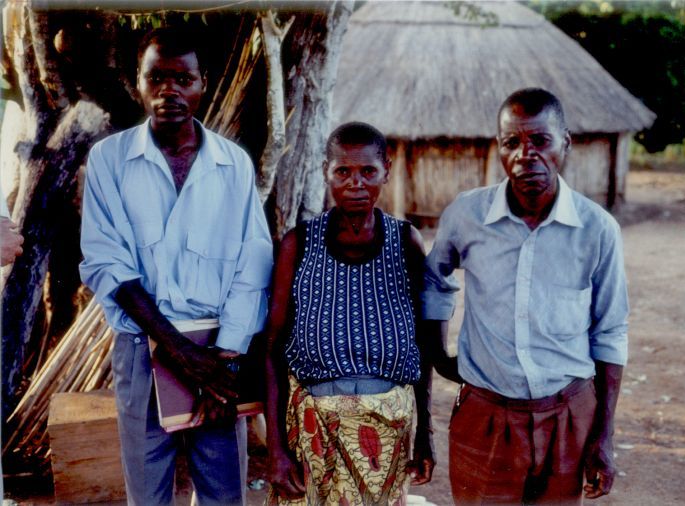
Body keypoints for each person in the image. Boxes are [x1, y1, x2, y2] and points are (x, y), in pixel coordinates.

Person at [79, 27, 272, 505]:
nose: (170, 91)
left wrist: (222, 357)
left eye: (182, 79)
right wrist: (180, 352)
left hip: (219, 352)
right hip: (143, 348)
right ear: (137, 84)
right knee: (147, 493)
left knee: (225, 491)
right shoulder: (110, 160)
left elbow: (254, 263)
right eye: (157, 78)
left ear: (202, 84)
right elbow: (107, 263)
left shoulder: (233, 165)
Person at [424, 88, 629, 505]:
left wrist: (603, 436)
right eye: (512, 143)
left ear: (565, 144)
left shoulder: (597, 229)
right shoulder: (466, 216)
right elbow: (434, 281)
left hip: (570, 416)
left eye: (540, 141)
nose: (525, 154)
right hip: (486, 417)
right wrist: (438, 353)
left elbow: (610, 331)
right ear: (498, 148)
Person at [265, 122, 435, 505]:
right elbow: (273, 348)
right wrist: (276, 451)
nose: (355, 183)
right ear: (326, 172)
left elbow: (423, 346)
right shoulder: (299, 244)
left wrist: (425, 436)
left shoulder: (405, 242)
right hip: (314, 431)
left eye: (367, 171)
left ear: (386, 172)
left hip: (387, 434)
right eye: (343, 171)